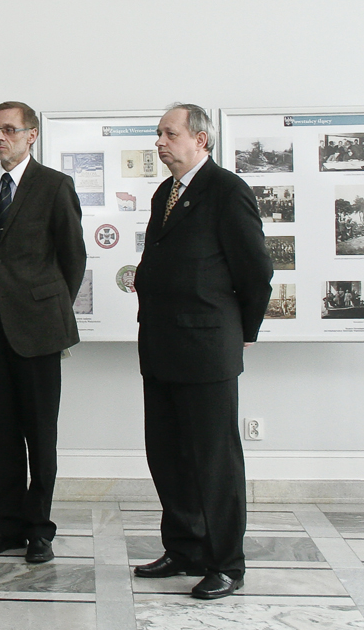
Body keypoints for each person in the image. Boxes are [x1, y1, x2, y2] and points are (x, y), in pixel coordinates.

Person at [133, 104, 272, 599]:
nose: (160, 142)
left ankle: (226, 564)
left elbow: (256, 272)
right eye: (158, 134)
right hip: (162, 346)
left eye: (169, 134)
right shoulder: (164, 193)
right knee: (167, 455)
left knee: (214, 461)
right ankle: (185, 548)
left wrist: (244, 330)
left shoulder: (228, 190)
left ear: (201, 140)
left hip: (207, 348)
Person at [0, 101, 86, 564]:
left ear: (32, 135)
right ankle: (8, 524)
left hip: (38, 328)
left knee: (39, 433)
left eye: (9, 130)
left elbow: (73, 258)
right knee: (0, 433)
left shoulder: (54, 185)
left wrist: (46, 308)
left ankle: (40, 529)